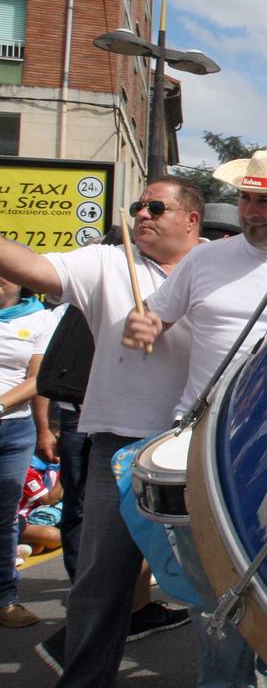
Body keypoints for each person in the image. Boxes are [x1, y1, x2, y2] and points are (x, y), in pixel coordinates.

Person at [122, 151, 267, 688]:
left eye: (265, 199)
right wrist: (142, 324)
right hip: (203, 446)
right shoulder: (204, 260)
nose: (249, 210)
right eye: (245, 197)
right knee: (212, 601)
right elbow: (156, 313)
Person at [0, 178, 202, 678]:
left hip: (199, 446)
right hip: (119, 443)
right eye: (139, 206)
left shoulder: (219, 267)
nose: (142, 215)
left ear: (191, 219)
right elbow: (33, 266)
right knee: (100, 579)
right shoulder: (109, 262)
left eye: (157, 207)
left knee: (215, 580)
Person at [0, 279, 57, 627]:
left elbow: (37, 379)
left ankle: (6, 600)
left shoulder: (41, 319)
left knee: (5, 517)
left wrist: (42, 429)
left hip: (14, 429)